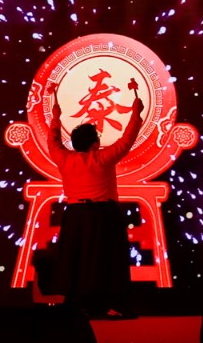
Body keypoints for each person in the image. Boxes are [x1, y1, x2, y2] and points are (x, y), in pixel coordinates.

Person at [38, 77, 145, 318]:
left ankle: (79, 303)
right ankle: (109, 302)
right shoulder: (102, 158)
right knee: (107, 260)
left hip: (75, 215)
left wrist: (56, 117)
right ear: (95, 143)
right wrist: (136, 113)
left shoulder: (64, 158)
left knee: (77, 259)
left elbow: (52, 140)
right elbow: (127, 139)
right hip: (104, 215)